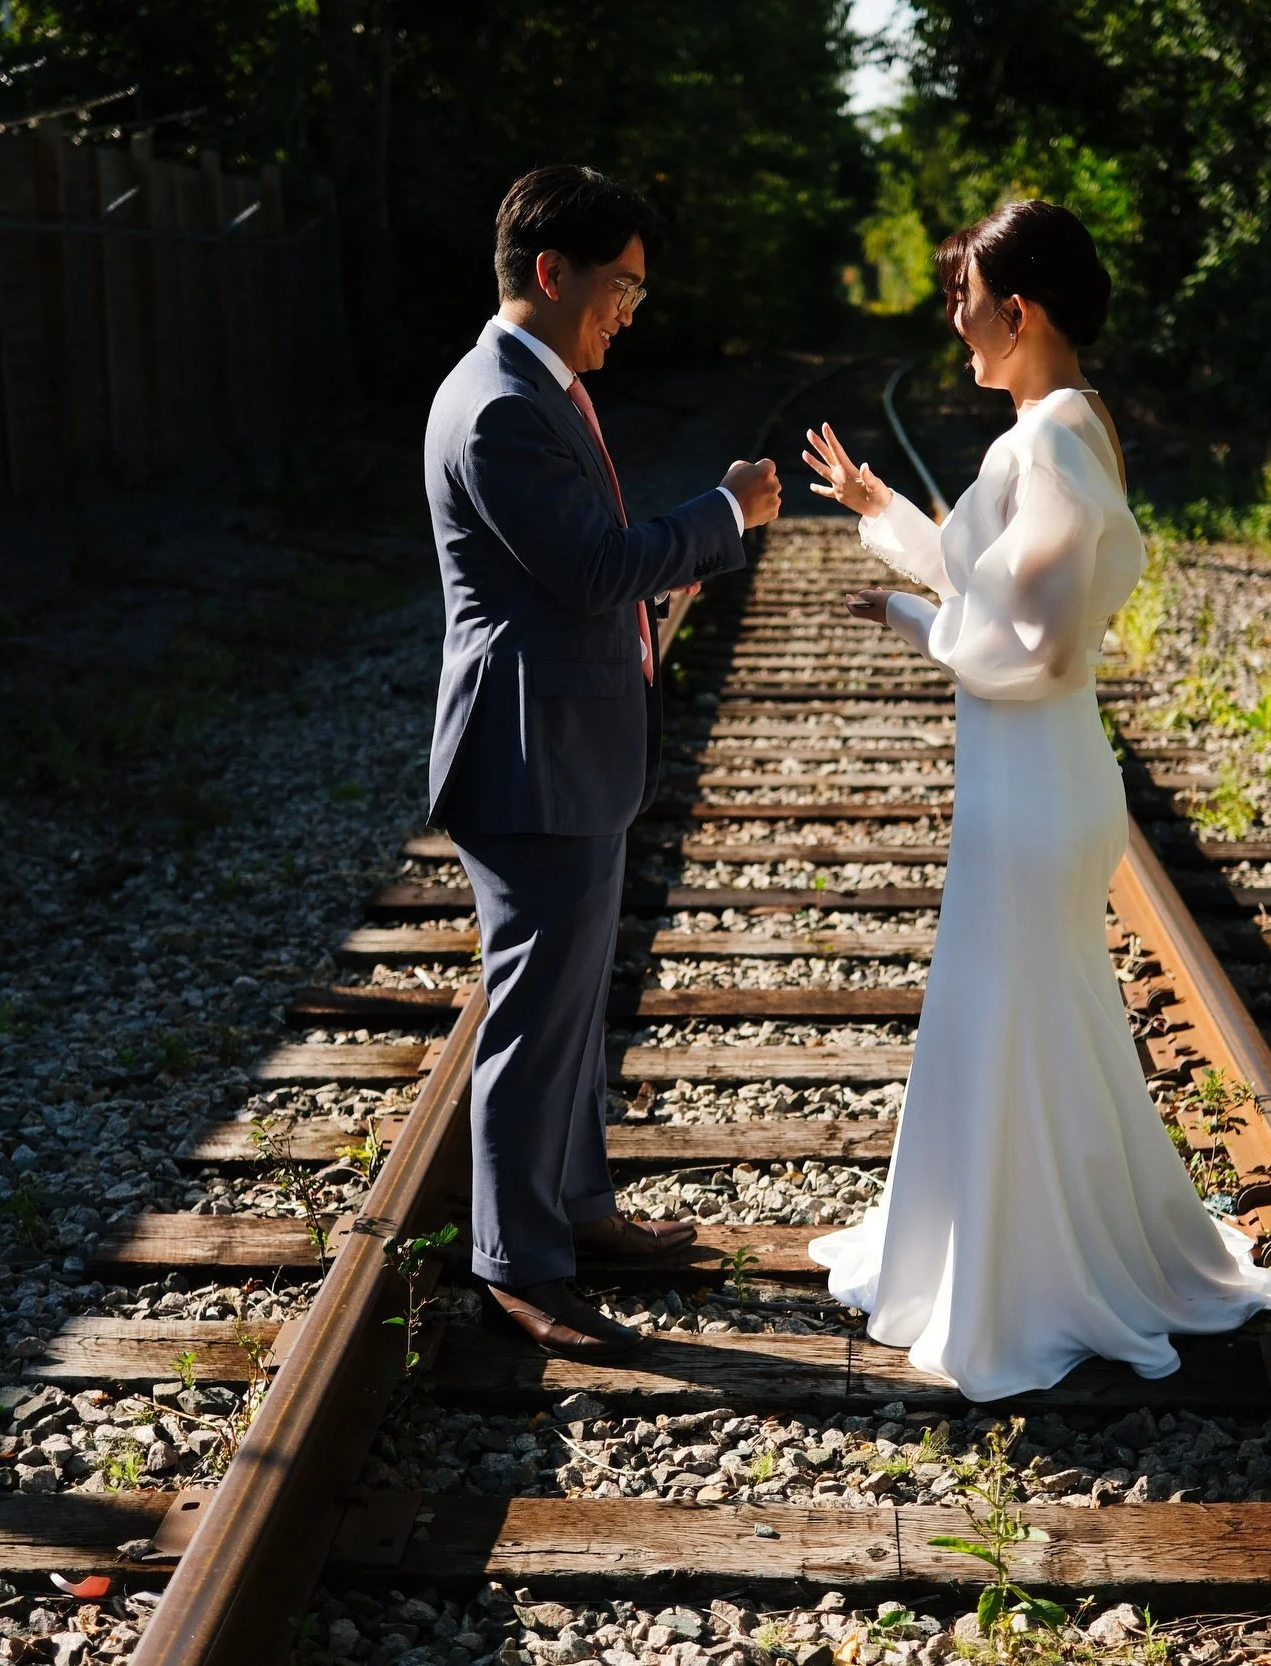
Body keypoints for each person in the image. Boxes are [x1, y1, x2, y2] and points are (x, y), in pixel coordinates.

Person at [799, 199, 1271, 1401]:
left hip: (1031, 784)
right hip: (1036, 777)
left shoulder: (1048, 440)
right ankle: (1025, 1250)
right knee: (1025, 1013)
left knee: (1015, 1010)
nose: (955, 324)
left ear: (1017, 311)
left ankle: (1029, 1283)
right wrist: (881, 516)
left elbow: (1038, 645)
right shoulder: (1066, 424)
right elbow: (1000, 577)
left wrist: (920, 624)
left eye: (965, 302)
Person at [424, 164, 783, 1361]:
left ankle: (574, 1213)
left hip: (568, 746)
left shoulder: (539, 387)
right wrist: (722, 514)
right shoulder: (496, 407)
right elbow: (590, 568)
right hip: (531, 757)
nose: (631, 308)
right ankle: (518, 1266)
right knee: (535, 1014)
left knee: (573, 1002)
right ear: (550, 271)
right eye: (620, 285)